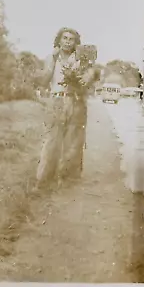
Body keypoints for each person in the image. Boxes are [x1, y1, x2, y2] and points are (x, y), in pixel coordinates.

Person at [36, 27, 100, 188]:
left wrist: (88, 75)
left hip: (76, 101)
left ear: (75, 43)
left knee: (73, 142)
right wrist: (51, 61)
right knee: (52, 141)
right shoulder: (51, 58)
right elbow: (43, 81)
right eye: (64, 38)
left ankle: (67, 180)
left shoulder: (82, 60)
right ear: (58, 40)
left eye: (71, 39)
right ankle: (44, 179)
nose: (67, 41)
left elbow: (91, 77)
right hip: (56, 101)